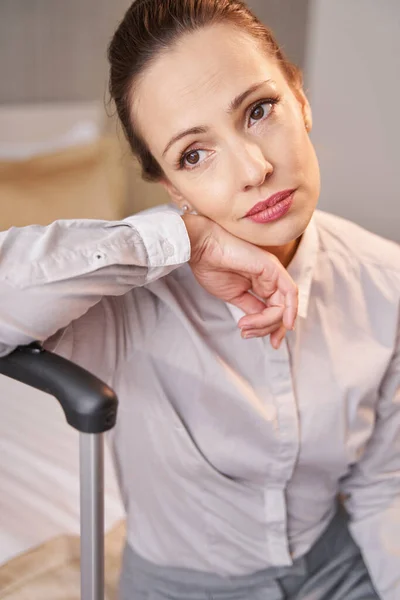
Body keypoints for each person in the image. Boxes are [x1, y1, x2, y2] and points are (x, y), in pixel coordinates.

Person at [0, 0, 399, 598]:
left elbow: (384, 488)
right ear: (167, 182)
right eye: (194, 154)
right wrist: (183, 237)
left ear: (300, 96)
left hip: (339, 567)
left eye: (259, 111)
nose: (254, 168)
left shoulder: (384, 280)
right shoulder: (121, 302)